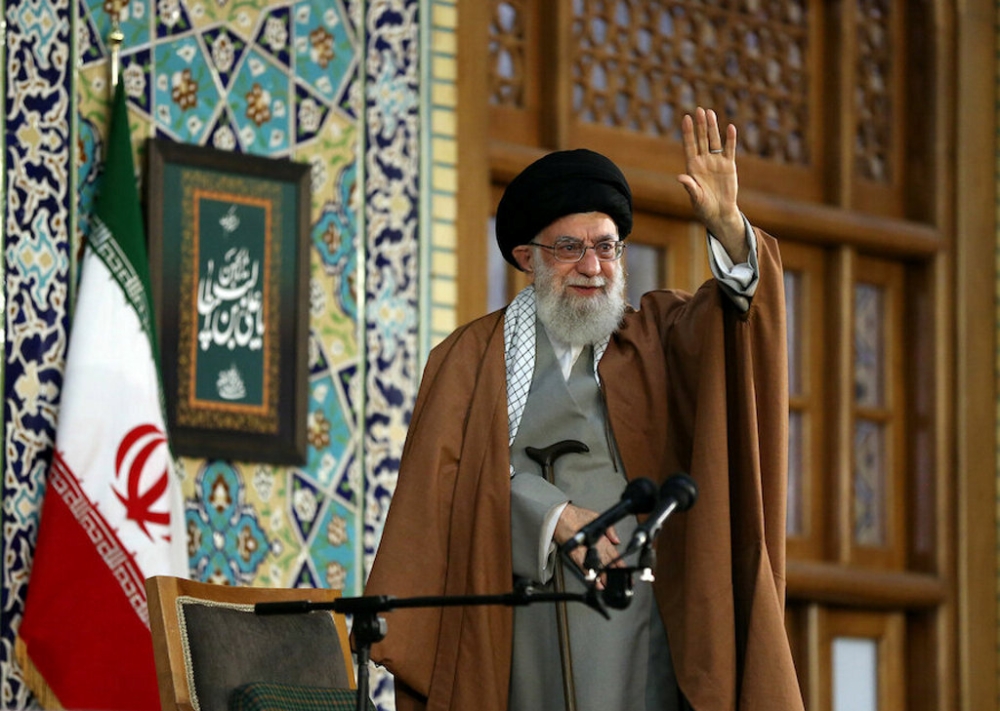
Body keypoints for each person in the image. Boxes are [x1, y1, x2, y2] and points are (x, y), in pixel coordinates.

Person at [364, 107, 805, 711]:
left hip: (634, 615)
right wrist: (552, 515)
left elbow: (736, 326)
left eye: (606, 247)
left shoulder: (656, 335)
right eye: (570, 248)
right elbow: (442, 492)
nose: (594, 267)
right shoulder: (468, 357)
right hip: (517, 621)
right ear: (528, 256)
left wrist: (730, 230)